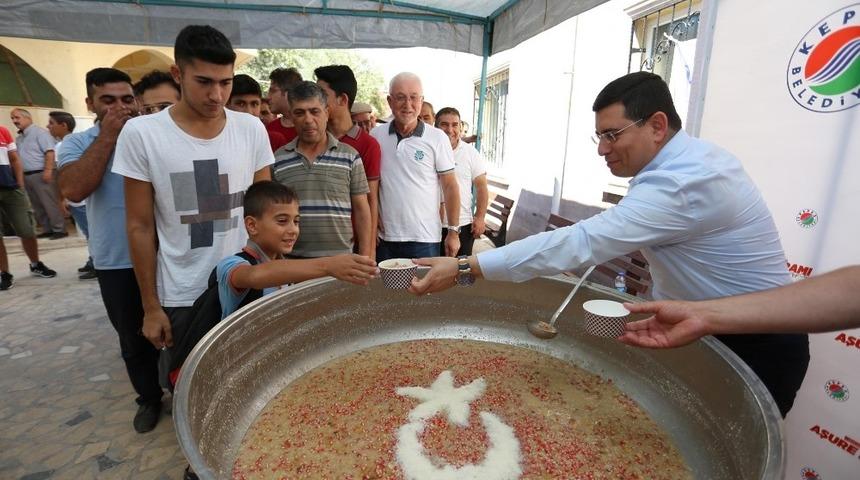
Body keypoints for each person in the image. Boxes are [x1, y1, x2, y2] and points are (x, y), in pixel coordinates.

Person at [411, 71, 809, 418]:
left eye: (612, 135)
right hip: (701, 324)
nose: (602, 148)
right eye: (599, 135)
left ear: (656, 125)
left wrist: (468, 266)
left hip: (754, 341)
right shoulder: (676, 165)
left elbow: (583, 241)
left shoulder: (685, 181)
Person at [112, 24, 274, 402]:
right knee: (191, 385)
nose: (217, 95)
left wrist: (272, 280)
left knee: (250, 379)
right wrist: (150, 306)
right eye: (204, 81)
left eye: (225, 82)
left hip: (245, 279)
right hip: (184, 291)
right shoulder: (143, 134)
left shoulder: (251, 130)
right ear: (177, 74)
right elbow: (138, 227)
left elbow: (266, 214)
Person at [57, 67, 164, 432]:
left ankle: (182, 388)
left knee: (176, 327)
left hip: (165, 253)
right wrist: (108, 135)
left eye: (127, 99)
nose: (121, 107)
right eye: (108, 100)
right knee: (133, 336)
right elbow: (73, 189)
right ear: (90, 103)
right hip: (116, 258)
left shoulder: (153, 136)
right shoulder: (76, 144)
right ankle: (148, 398)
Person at [216, 181, 377, 318]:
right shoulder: (230, 265)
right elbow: (255, 275)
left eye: (296, 221)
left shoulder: (288, 270)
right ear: (252, 225)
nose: (293, 229)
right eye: (282, 221)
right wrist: (329, 265)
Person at [619, 265, 860, 348]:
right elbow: (850, 292)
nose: (603, 150)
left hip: (765, 343)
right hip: (724, 323)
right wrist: (701, 314)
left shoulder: (685, 179)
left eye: (612, 143)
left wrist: (703, 315)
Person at [272, 81, 372, 258]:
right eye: (300, 113)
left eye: (314, 111)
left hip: (341, 264)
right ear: (291, 116)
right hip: (293, 265)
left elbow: (362, 210)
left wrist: (365, 257)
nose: (308, 120)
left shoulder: (350, 156)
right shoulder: (279, 159)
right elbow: (272, 214)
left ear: (326, 113)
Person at [371, 72, 460, 261]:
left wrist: (453, 231)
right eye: (400, 97)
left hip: (425, 239)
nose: (408, 105)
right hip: (386, 237)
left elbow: (450, 186)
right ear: (389, 101)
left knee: (424, 289)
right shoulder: (376, 136)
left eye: (413, 98)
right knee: (385, 291)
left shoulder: (437, 138)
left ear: (422, 100)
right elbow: (371, 185)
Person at [314, 64, 382, 258]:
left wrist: (368, 253)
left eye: (322, 94)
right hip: (312, 245)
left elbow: (371, 200)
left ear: (342, 99)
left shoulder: (368, 144)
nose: (316, 101)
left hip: (349, 246)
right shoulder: (312, 138)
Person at [0, 124, 57, 290]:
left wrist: (20, 184)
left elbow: (14, 159)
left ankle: (35, 263)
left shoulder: (3, 131)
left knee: (27, 229)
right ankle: (4, 273)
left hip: (12, 188)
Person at [435, 107, 488, 256]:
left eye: (455, 125)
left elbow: (482, 186)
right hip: (432, 225)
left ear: (460, 127)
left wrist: (480, 217)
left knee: (462, 274)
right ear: (436, 127)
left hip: (463, 225)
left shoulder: (470, 153)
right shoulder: (429, 150)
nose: (450, 129)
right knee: (434, 274)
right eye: (444, 124)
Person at [48, 111, 95, 279]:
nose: (48, 126)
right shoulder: (77, 142)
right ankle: (93, 260)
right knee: (89, 232)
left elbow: (63, 176)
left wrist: (62, 199)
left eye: (51, 123)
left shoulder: (65, 145)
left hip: (79, 201)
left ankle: (95, 262)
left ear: (64, 126)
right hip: (80, 200)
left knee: (91, 233)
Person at [11, 108, 67, 239]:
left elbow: (50, 152)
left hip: (42, 173)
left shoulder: (40, 133)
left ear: (28, 118)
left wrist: (48, 171)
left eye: (17, 118)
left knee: (49, 202)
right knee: (37, 205)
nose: (14, 121)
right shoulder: (19, 138)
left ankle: (60, 229)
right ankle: (47, 229)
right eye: (12, 118)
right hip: (27, 175)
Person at [266, 67, 302, 147]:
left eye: (273, 91)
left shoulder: (309, 127)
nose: (268, 97)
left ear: (288, 93)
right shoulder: (271, 127)